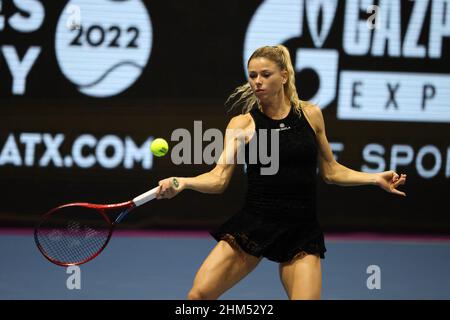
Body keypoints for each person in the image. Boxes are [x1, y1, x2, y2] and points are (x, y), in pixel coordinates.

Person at [155, 45, 407, 300]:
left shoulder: (311, 115)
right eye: (252, 75)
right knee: (197, 298)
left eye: (265, 74)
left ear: (284, 76)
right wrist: (183, 182)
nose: (257, 81)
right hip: (255, 225)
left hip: (300, 230)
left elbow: (331, 171)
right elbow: (219, 178)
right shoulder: (243, 124)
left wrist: (375, 178)